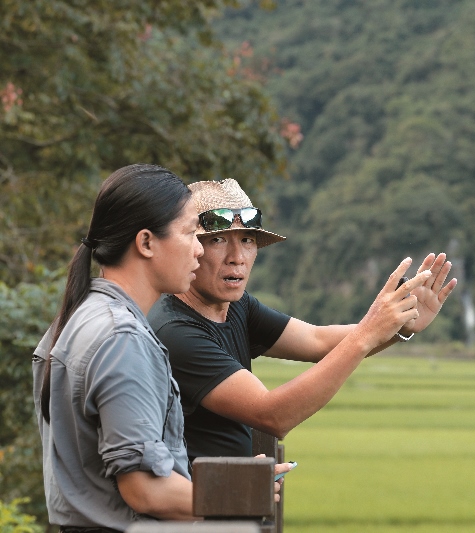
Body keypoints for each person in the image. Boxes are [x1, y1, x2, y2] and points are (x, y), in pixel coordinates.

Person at [32, 165, 292, 532]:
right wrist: (243, 492)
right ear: (146, 243)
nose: (200, 250)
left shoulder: (77, 318)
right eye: (190, 234)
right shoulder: (123, 340)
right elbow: (146, 491)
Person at [148, 179, 457, 460]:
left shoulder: (236, 305)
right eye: (218, 240)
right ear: (190, 247)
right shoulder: (176, 332)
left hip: (227, 501)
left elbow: (315, 341)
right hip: (190, 514)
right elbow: (272, 415)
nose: (237, 256)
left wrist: (400, 325)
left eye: (246, 240)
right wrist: (369, 332)